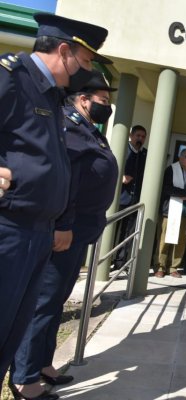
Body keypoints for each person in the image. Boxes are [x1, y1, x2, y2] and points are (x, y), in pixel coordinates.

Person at [0, 12, 111, 390]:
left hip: (38, 232)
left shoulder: (49, 94)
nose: (87, 70)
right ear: (64, 51)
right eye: (85, 61)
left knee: (13, 329)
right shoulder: (11, 77)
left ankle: (22, 381)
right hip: (10, 228)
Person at [155, 148, 186, 278]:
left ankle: (173, 267)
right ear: (180, 157)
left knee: (180, 242)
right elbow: (167, 188)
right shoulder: (171, 169)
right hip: (169, 211)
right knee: (165, 240)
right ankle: (160, 266)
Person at [113, 125, 147, 270]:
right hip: (119, 199)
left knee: (127, 233)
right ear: (131, 136)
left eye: (143, 136)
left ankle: (120, 263)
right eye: (138, 135)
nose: (140, 139)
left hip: (134, 201)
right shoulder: (122, 150)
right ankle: (106, 259)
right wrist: (120, 178)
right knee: (112, 230)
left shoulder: (145, 154)